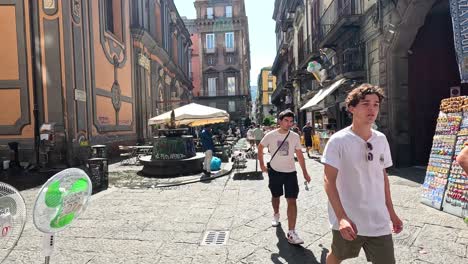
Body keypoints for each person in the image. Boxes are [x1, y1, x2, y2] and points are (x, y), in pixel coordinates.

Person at [321, 84, 403, 264]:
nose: (372, 109)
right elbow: (328, 180)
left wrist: (392, 212)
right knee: (337, 255)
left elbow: (383, 178)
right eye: (366, 104)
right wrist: (341, 217)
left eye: (376, 104)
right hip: (350, 218)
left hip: (378, 218)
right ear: (351, 108)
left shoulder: (381, 139)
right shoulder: (338, 141)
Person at [258, 109, 311, 245]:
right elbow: (260, 147)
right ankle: (276, 214)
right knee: (276, 196)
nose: (289, 123)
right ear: (280, 121)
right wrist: (262, 165)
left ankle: (291, 232)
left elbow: (299, 154)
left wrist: (305, 171)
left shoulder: (294, 136)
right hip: (275, 171)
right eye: (286, 121)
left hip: (290, 173)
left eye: (291, 121)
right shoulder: (270, 135)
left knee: (292, 200)